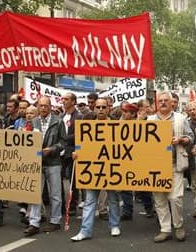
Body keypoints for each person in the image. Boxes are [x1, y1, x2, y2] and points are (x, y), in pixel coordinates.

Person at [70, 98, 122, 241]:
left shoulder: (116, 126)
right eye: (97, 107)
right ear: (94, 109)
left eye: (103, 107)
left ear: (108, 109)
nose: (100, 109)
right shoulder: (86, 126)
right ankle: (85, 231)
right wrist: (76, 153)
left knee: (112, 199)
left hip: (111, 168)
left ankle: (114, 225)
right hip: (92, 169)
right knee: (90, 201)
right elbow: (81, 145)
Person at [148, 91, 193, 243]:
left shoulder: (181, 119)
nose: (162, 103)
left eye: (165, 100)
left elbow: (190, 137)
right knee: (159, 199)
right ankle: (165, 229)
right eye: (160, 101)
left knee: (176, 198)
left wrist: (181, 139)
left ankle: (179, 226)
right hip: (156, 166)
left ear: (171, 102)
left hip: (175, 164)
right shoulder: (150, 120)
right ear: (157, 103)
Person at [24, 96, 66, 237]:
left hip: (53, 162)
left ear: (50, 107)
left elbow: (63, 143)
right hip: (37, 162)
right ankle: (34, 223)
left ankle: (55, 221)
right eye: (40, 105)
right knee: (35, 193)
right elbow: (28, 140)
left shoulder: (58, 122)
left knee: (55, 194)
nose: (43, 108)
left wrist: (52, 149)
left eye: (45, 106)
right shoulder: (33, 121)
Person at [60, 92, 83, 217]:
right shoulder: (60, 116)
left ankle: (73, 205)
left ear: (73, 102)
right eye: (63, 99)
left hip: (73, 151)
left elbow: (80, 133)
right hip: (61, 152)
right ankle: (62, 205)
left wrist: (63, 138)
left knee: (73, 181)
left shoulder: (79, 116)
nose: (63, 101)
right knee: (59, 179)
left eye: (66, 99)